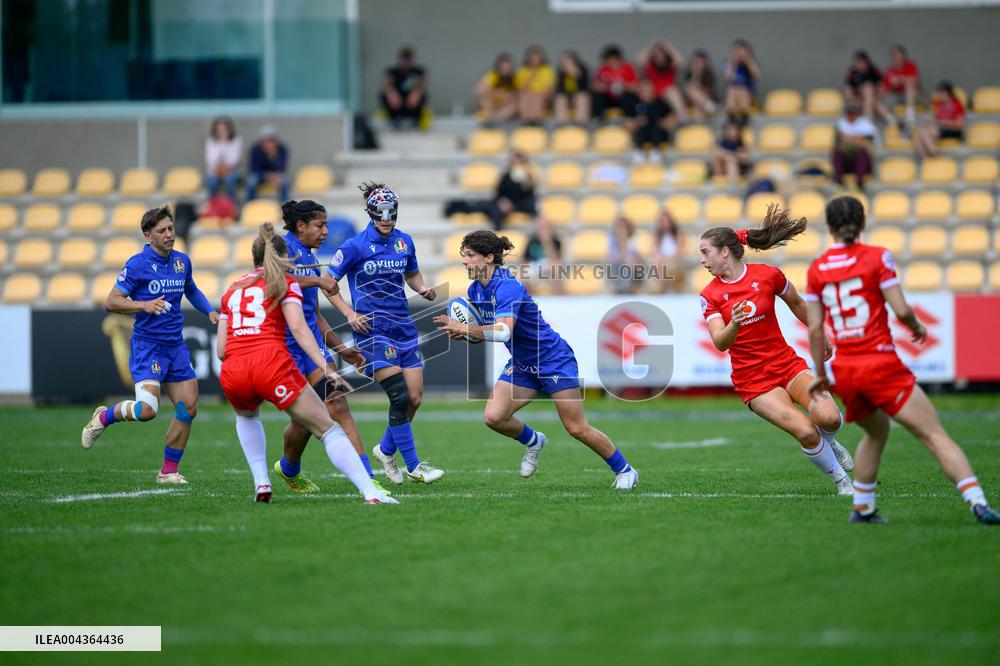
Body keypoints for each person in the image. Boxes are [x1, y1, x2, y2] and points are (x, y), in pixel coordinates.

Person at [805, 196, 999, 525]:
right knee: (934, 435)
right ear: (862, 223)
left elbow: (814, 329)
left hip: (847, 371)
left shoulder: (817, 269)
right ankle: (978, 503)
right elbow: (902, 309)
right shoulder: (877, 257)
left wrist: (821, 374)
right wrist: (917, 327)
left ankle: (863, 509)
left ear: (829, 227)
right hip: (879, 364)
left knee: (876, 432)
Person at [434, 230, 639, 489]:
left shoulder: (507, 286)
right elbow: (485, 332)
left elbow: (503, 331)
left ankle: (625, 470)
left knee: (576, 428)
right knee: (494, 417)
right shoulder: (475, 290)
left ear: (489, 258)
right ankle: (534, 441)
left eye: (470, 255)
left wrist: (466, 329)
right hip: (522, 363)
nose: (464, 261)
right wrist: (463, 335)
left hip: (553, 360)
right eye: (464, 255)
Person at [216, 223, 396, 505]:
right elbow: (300, 329)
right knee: (328, 428)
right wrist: (326, 368)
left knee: (248, 417)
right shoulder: (284, 283)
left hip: (234, 370)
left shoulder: (233, 289)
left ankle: (263, 483)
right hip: (270, 363)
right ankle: (370, 492)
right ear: (282, 258)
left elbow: (220, 350)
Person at [697, 206, 854, 495]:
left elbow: (798, 303)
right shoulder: (710, 295)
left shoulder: (768, 275)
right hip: (753, 380)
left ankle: (831, 443)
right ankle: (844, 483)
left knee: (830, 418)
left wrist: (819, 333)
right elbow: (720, 342)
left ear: (724, 252)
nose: (702, 260)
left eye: (706, 252)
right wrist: (734, 324)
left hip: (787, 364)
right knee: (806, 432)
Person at [81, 206, 219, 484]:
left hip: (175, 347)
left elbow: (191, 289)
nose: (169, 234)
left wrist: (209, 311)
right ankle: (105, 417)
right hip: (148, 346)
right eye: (162, 230)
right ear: (148, 236)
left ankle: (168, 472)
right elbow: (111, 301)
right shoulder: (137, 265)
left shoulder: (181, 261)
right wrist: (143, 305)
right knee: (147, 411)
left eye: (171, 228)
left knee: (187, 409)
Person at [325, 183, 444, 485]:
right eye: (381, 214)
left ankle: (386, 451)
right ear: (371, 213)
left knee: (414, 398)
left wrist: (422, 288)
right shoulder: (354, 246)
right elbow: (328, 283)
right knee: (399, 395)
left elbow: (412, 272)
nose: (387, 219)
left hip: (403, 325)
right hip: (372, 329)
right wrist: (349, 313)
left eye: (392, 213)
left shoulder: (405, 241)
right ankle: (414, 466)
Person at [276, 200, 391, 496]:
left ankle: (368, 479)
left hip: (312, 345)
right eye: (320, 225)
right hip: (284, 346)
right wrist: (319, 280)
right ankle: (289, 468)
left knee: (336, 404)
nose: (326, 231)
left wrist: (342, 350)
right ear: (300, 226)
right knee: (306, 418)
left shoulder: (308, 255)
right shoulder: (282, 250)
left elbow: (313, 314)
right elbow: (278, 282)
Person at [624, 78, 674, 163]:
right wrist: (637, 122)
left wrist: (663, 123)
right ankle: (639, 153)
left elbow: (672, 120)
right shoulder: (634, 104)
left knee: (656, 130)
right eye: (643, 90)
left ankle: (656, 152)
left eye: (648, 90)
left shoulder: (660, 103)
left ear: (652, 90)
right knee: (640, 130)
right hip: (642, 135)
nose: (645, 93)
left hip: (658, 136)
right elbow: (627, 125)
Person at [637, 40, 688, 123]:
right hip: (653, 96)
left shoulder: (671, 65)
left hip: (667, 98)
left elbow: (681, 61)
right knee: (644, 90)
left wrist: (667, 47)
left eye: (662, 55)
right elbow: (639, 60)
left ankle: (682, 118)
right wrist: (652, 47)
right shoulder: (649, 66)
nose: (660, 58)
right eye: (657, 55)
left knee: (672, 91)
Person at [381, 45, 428, 130]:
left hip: (411, 99)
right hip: (398, 98)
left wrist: (416, 93)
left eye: (408, 58)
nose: (406, 61)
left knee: (422, 96)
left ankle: (414, 120)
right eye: (404, 58)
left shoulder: (418, 71)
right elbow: (386, 84)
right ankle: (394, 119)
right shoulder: (392, 71)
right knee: (384, 96)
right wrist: (391, 93)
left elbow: (423, 84)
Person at [914, 80, 965, 159]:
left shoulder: (957, 104)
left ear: (948, 93)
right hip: (939, 129)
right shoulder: (938, 104)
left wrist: (946, 123)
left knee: (923, 132)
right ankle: (926, 158)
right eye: (939, 93)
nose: (939, 96)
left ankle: (933, 151)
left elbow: (960, 125)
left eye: (941, 93)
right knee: (919, 132)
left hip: (952, 131)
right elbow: (928, 105)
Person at [832, 103, 878, 190]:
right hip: (847, 161)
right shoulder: (841, 125)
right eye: (849, 114)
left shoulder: (866, 126)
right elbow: (838, 144)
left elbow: (870, 146)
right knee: (837, 153)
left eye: (853, 114)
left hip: (862, 163)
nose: (850, 116)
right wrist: (857, 140)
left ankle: (860, 184)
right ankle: (839, 182)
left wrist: (851, 139)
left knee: (861, 153)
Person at [488, 152, 538, 229]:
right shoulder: (506, 176)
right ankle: (498, 230)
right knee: (495, 208)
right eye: (514, 163)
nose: (516, 165)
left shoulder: (528, 177)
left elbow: (530, 195)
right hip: (506, 204)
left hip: (521, 204)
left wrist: (527, 180)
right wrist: (503, 202)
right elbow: (499, 193)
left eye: (519, 163)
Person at [591, 44, 639, 119]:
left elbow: (636, 87)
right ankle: (599, 121)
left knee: (629, 98)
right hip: (608, 98)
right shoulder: (603, 69)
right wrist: (604, 86)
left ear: (619, 59)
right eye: (608, 60)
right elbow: (595, 85)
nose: (611, 62)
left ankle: (629, 120)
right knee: (597, 98)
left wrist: (624, 85)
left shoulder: (627, 69)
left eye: (613, 59)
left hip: (623, 97)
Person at [881, 44, 921, 128]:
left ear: (904, 57)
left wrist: (900, 80)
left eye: (900, 58)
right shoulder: (889, 70)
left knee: (910, 84)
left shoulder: (910, 65)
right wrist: (892, 84)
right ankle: (891, 120)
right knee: (877, 99)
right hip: (895, 96)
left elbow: (916, 81)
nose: (897, 61)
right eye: (895, 58)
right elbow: (884, 90)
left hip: (911, 96)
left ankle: (910, 116)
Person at [246, 125, 289, 202]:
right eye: (266, 141)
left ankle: (285, 205)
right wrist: (266, 175)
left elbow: (282, 167)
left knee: (284, 181)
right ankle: (250, 204)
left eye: (271, 140)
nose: (269, 143)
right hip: (260, 174)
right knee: (251, 181)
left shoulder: (282, 149)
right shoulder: (255, 149)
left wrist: (273, 156)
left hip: (275, 175)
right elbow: (253, 168)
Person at [514, 46, 555, 125]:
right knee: (525, 97)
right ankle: (525, 120)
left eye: (537, 58)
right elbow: (520, 89)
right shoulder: (522, 71)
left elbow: (550, 88)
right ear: (528, 59)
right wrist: (529, 78)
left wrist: (537, 93)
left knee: (537, 97)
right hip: (527, 95)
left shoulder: (547, 70)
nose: (535, 60)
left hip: (543, 96)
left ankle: (535, 120)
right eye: (533, 58)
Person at [723, 39, 760, 125]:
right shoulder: (728, 64)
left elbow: (757, 75)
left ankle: (739, 119)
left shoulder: (750, 63)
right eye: (736, 50)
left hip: (749, 96)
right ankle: (734, 119)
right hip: (733, 97)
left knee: (741, 89)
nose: (739, 54)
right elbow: (728, 78)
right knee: (732, 90)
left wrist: (747, 60)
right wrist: (734, 63)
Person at [475, 53, 518, 125]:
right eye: (503, 67)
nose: (505, 70)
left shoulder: (514, 78)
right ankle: (491, 119)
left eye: (507, 67)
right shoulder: (492, 75)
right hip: (492, 105)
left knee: (515, 105)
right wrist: (494, 92)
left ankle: (495, 120)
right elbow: (478, 89)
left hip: (505, 109)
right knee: (484, 98)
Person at [205, 116, 241, 200]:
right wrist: (221, 144)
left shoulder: (236, 140)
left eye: (224, 129)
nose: (222, 132)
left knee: (229, 180)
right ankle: (213, 204)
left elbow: (234, 160)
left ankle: (232, 204)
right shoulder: (211, 141)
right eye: (219, 130)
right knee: (212, 181)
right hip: (215, 172)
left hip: (231, 172)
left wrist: (225, 144)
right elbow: (211, 161)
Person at [844, 50, 885, 122]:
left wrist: (872, 93)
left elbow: (881, 88)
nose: (859, 65)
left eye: (861, 62)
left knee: (869, 91)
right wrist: (857, 95)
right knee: (855, 104)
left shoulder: (874, 71)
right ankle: (866, 120)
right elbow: (848, 92)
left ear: (866, 62)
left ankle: (869, 119)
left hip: (873, 99)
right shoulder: (852, 73)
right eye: (857, 62)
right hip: (858, 99)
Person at [553, 50, 590, 125]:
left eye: (569, 62)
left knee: (582, 98)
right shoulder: (561, 72)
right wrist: (564, 75)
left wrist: (577, 75)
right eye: (565, 63)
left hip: (579, 95)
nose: (568, 65)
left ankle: (581, 124)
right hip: (567, 97)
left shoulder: (583, 70)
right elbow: (559, 89)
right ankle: (561, 124)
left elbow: (585, 88)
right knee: (560, 99)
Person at [608, 215, 643, 295]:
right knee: (616, 265)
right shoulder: (613, 241)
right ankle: (619, 289)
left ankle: (627, 289)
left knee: (628, 266)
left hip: (631, 270)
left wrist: (623, 256)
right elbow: (611, 258)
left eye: (625, 227)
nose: (623, 230)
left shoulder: (633, 240)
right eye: (620, 227)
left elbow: (635, 260)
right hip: (618, 269)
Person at [651, 209, 683, 293]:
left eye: (666, 221)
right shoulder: (658, 236)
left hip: (673, 261)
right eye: (662, 221)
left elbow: (679, 252)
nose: (665, 224)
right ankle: (662, 287)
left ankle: (664, 287)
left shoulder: (677, 235)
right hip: (662, 262)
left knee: (667, 267)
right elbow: (655, 251)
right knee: (657, 263)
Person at [712, 121, 751, 186]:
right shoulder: (722, 142)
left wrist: (733, 156)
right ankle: (728, 182)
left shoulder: (741, 143)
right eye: (730, 130)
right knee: (720, 156)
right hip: (722, 169)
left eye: (734, 130)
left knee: (731, 161)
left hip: (737, 168)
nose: (733, 132)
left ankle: (733, 185)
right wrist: (729, 155)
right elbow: (717, 153)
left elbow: (745, 157)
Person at [683, 49, 717, 121]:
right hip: (693, 104)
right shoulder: (688, 75)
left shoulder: (708, 76)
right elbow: (686, 94)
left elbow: (709, 93)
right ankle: (708, 108)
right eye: (696, 62)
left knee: (692, 89)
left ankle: (707, 109)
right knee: (689, 88)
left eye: (701, 62)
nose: (698, 65)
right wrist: (694, 76)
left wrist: (699, 87)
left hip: (706, 99)